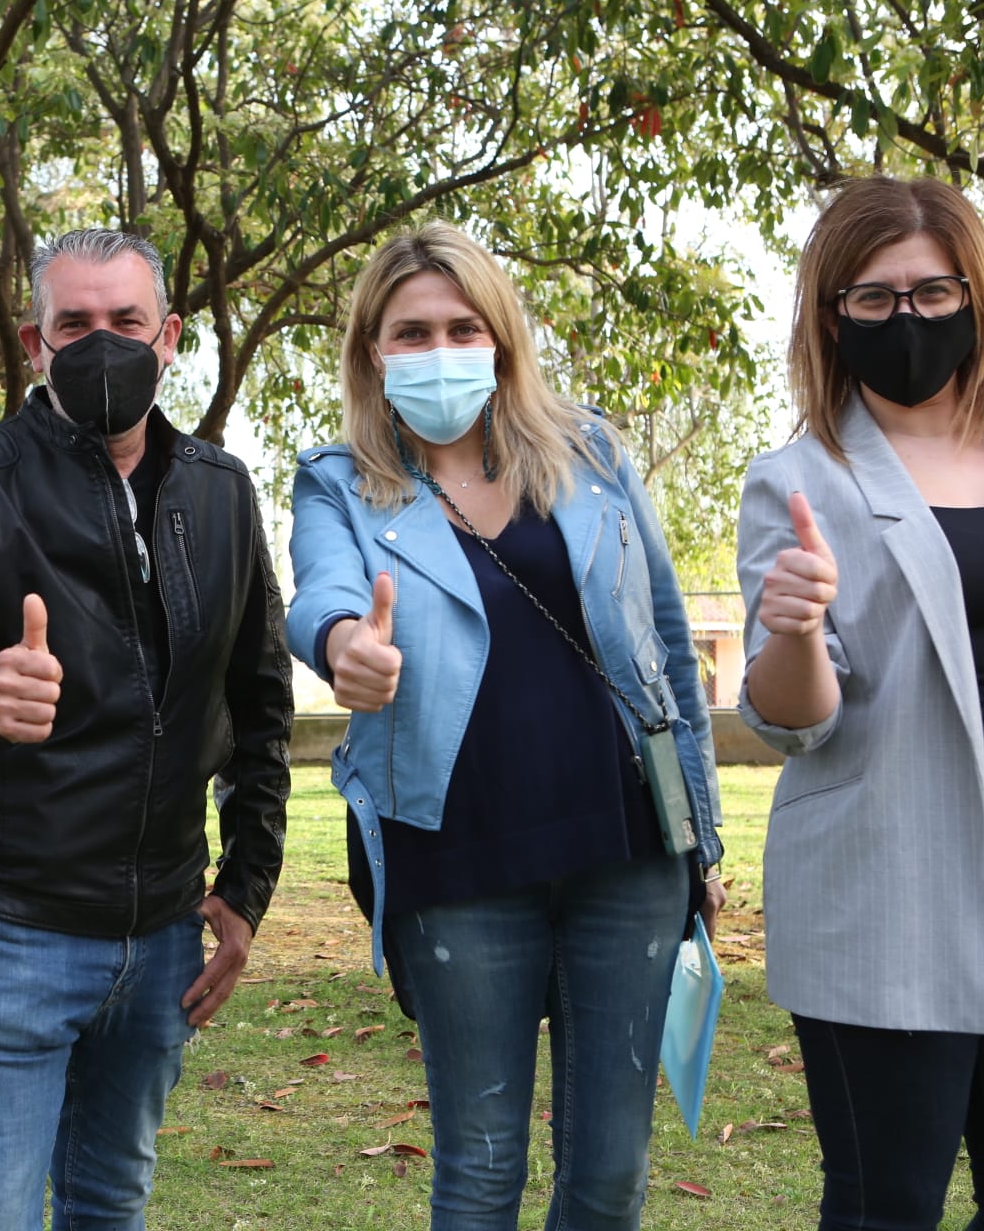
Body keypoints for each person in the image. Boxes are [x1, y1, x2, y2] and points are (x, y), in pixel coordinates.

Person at [286, 221, 722, 1231]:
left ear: (502, 337)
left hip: (626, 846)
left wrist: (699, 832)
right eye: (410, 333)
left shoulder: (591, 452)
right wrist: (347, 644)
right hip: (460, 856)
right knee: (481, 1172)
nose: (438, 350)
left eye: (460, 326)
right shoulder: (337, 480)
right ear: (370, 352)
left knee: (610, 1174)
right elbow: (321, 596)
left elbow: (661, 637)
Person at [735, 175, 984, 1231]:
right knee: (889, 1203)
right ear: (832, 315)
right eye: (871, 299)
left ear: (979, 296)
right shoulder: (797, 478)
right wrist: (790, 626)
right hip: (889, 879)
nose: (905, 318)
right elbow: (795, 719)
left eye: (931, 291)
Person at [0, 228, 293, 1229]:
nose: (100, 343)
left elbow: (259, 704)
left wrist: (245, 888)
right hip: (9, 928)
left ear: (170, 337)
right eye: (75, 324)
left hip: (162, 935)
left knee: (112, 1203)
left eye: (126, 321)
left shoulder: (221, 488)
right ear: (34, 341)